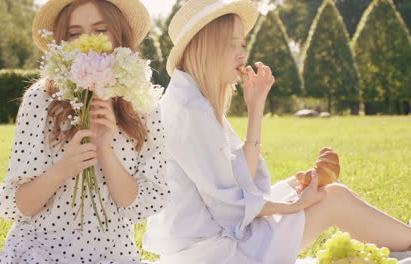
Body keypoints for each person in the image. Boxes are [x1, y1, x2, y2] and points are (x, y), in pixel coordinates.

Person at [143, 0, 411, 263]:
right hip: (214, 253)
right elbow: (229, 206)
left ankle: (404, 238)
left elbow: (239, 179)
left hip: (215, 241)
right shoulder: (189, 110)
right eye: (232, 43)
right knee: (334, 198)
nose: (241, 54)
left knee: (299, 187)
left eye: (242, 44)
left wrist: (255, 106)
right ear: (207, 46)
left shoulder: (192, 99)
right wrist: (295, 205)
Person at [0, 0, 169, 263]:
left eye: (100, 30)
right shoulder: (41, 99)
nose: (88, 43)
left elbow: (136, 206)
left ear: (119, 35)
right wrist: (64, 167)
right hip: (42, 250)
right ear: (62, 42)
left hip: (113, 254)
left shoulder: (141, 102)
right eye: (74, 34)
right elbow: (20, 206)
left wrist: (105, 150)